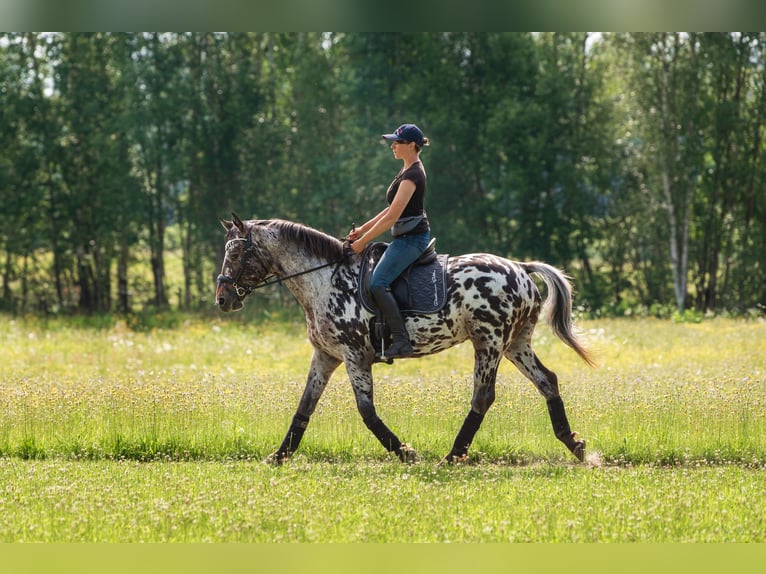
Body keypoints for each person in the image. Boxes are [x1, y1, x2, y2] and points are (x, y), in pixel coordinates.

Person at [348, 123, 431, 358]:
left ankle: (402, 341)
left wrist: (363, 242)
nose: (392, 145)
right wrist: (362, 229)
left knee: (378, 282)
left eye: (397, 142)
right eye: (392, 141)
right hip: (403, 237)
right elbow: (389, 211)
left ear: (412, 146)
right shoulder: (406, 170)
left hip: (412, 240)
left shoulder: (413, 174)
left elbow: (394, 217)